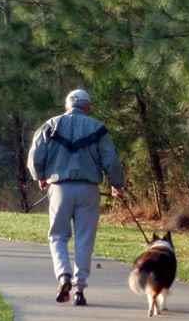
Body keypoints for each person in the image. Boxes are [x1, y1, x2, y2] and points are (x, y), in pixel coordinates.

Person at [27, 88, 125, 306]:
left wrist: (40, 176)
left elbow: (35, 157)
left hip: (59, 188)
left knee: (58, 236)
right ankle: (80, 288)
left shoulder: (50, 125)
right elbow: (111, 160)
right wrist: (117, 184)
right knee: (84, 239)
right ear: (88, 107)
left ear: (67, 106)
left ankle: (64, 276)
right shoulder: (98, 128)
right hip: (89, 189)